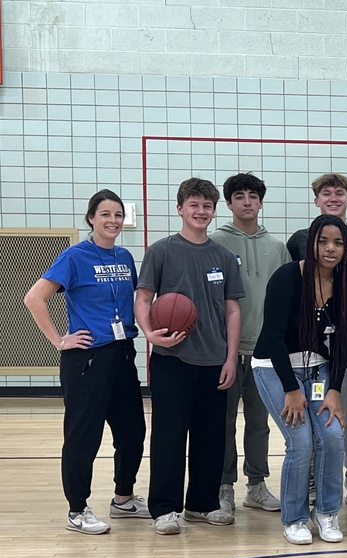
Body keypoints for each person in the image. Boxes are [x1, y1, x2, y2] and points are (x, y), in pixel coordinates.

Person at [23, 189, 148, 534]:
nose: (113, 220)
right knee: (83, 436)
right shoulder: (74, 256)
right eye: (105, 214)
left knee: (133, 431)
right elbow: (34, 297)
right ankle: (77, 510)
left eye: (118, 215)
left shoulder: (124, 257)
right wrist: (59, 340)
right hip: (87, 359)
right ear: (91, 218)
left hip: (122, 355)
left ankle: (123, 499)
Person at [135, 178, 244, 535]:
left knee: (211, 437)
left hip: (214, 360)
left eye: (207, 206)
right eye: (194, 205)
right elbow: (143, 298)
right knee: (168, 436)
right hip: (172, 359)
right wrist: (149, 334)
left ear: (214, 211)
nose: (201, 212)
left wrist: (230, 357)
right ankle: (164, 508)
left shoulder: (224, 257)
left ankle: (202, 503)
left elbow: (232, 311)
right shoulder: (161, 251)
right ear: (180, 208)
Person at [251, 215, 347, 545]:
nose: (330, 248)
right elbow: (274, 337)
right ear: (311, 243)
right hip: (274, 367)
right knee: (302, 442)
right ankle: (294, 518)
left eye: (337, 242)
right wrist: (291, 389)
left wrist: (334, 389)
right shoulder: (287, 277)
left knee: (333, 436)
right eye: (323, 241)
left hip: (318, 370)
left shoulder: (345, 284)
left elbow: (344, 341)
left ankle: (327, 513)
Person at [288, 173, 347, 507]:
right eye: (326, 193)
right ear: (316, 201)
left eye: (340, 193)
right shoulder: (299, 239)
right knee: (313, 413)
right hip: (310, 347)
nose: (333, 197)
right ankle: (312, 477)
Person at [210, 172, 288, 517]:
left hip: (263, 351)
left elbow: (289, 299)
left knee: (259, 422)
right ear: (229, 204)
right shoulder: (214, 244)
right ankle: (224, 486)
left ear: (260, 202)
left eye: (252, 196)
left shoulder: (278, 247)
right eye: (239, 196)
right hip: (224, 352)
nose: (246, 201)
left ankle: (256, 484)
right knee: (223, 423)